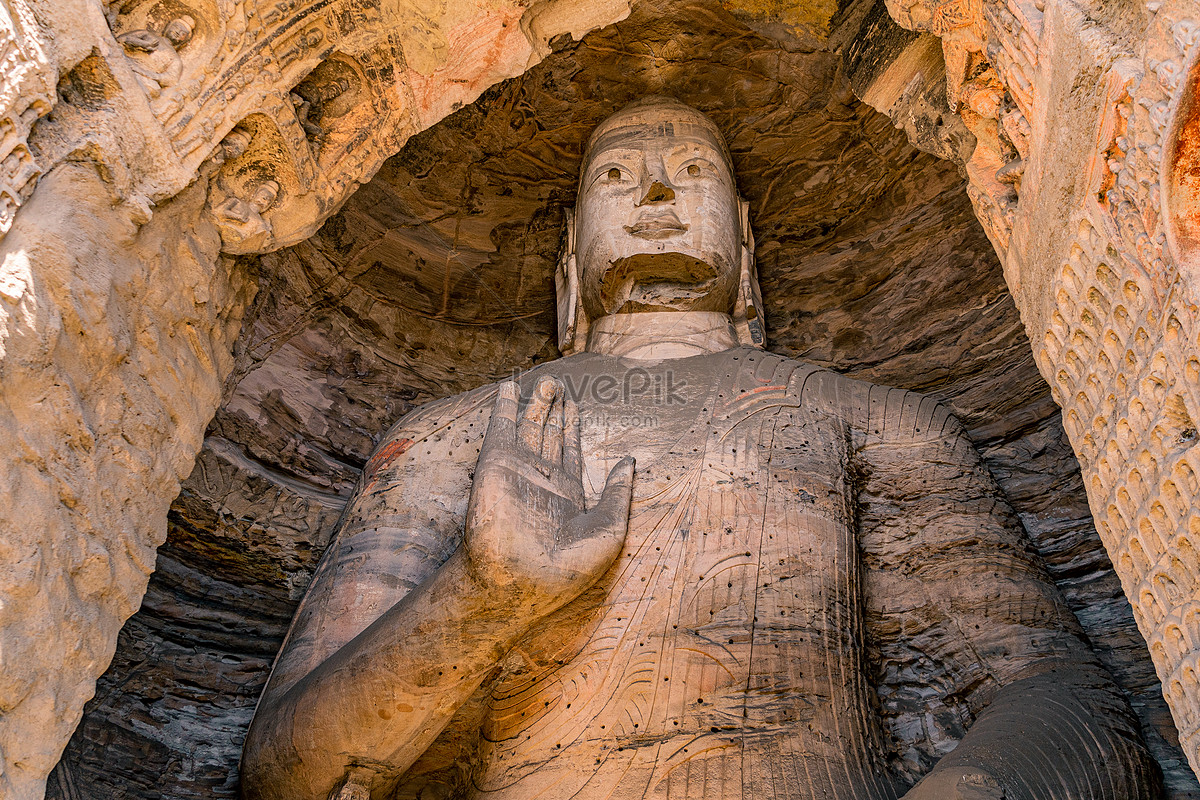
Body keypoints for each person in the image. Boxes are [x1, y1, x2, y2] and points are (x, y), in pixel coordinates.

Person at [240, 96, 1159, 800]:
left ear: (746, 243)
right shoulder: (454, 434)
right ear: (570, 259)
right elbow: (284, 776)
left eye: (691, 171)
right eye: (617, 177)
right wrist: (482, 599)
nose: (654, 197)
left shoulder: (871, 418)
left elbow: (1071, 707)